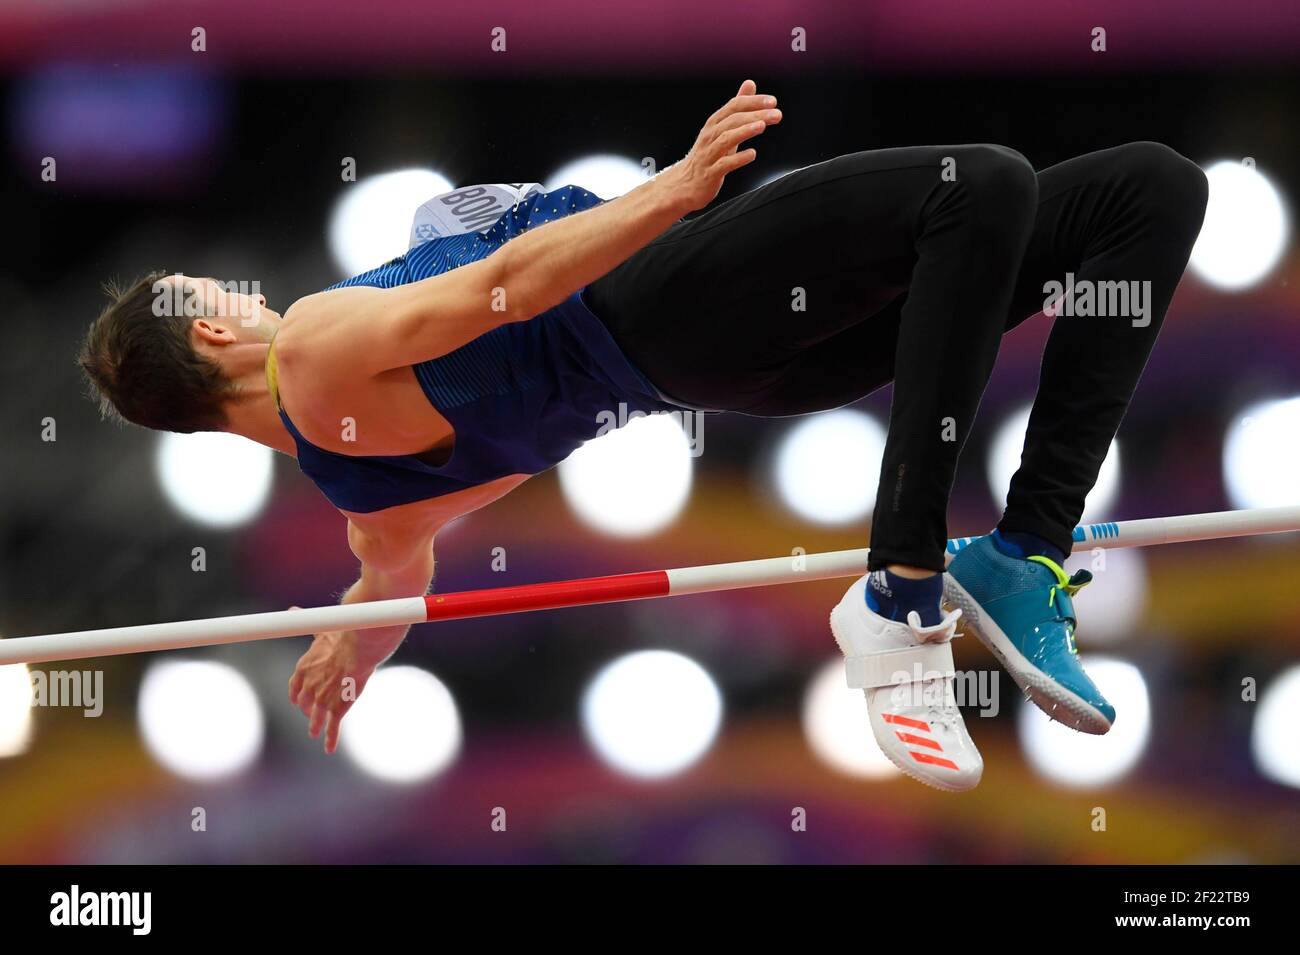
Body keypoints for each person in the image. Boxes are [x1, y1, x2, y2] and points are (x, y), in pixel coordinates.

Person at [78, 81, 1207, 785]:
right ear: (215, 343)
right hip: (661, 304)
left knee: (1144, 195)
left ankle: (1022, 557)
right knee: (983, 182)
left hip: (740, 364)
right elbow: (503, 291)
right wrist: (668, 193)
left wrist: (346, 650)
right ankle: (901, 593)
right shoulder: (312, 345)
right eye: (210, 294)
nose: (237, 293)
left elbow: (391, 592)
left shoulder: (372, 507)